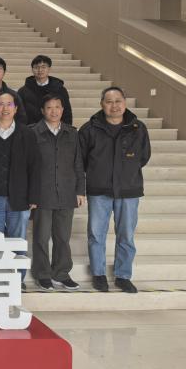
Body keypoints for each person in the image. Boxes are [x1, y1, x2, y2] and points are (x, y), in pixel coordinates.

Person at [79, 86, 151, 294]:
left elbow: (143, 156)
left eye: (118, 101)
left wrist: (125, 172)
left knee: (126, 235)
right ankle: (99, 274)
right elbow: (81, 160)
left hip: (129, 189)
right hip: (98, 190)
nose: (114, 106)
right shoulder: (89, 129)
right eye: (109, 102)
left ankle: (123, 275)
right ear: (102, 104)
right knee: (96, 234)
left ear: (125, 103)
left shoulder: (138, 128)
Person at [0, 91, 40, 289]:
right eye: (0, 104)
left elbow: (35, 167)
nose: (5, 108)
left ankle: (17, 280)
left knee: (17, 240)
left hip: (19, 196)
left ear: (16, 108)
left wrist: (33, 196)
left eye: (9, 104)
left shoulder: (27, 133)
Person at [32, 94, 85, 292]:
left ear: (63, 110)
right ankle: (43, 274)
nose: (53, 111)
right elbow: (29, 166)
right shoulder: (33, 132)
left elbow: (78, 164)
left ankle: (61, 274)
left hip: (66, 192)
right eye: (49, 107)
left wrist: (80, 190)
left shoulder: (72, 133)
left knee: (63, 237)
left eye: (57, 107)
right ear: (42, 111)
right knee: (41, 237)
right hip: (42, 194)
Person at [18, 55, 73, 126]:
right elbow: (19, 114)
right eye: (36, 67)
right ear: (32, 69)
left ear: (49, 69)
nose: (40, 70)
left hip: (55, 129)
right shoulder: (23, 91)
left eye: (43, 67)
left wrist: (66, 130)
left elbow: (67, 113)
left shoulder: (60, 89)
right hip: (30, 130)